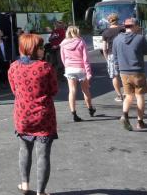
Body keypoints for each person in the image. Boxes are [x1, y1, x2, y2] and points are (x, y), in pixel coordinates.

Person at [8, 34, 58, 195]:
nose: (43, 50)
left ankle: (24, 185)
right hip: (44, 116)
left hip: (23, 115)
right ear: (33, 49)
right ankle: (41, 192)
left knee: (24, 149)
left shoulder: (14, 67)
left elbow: (14, 90)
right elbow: (54, 90)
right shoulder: (45, 67)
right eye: (41, 47)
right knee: (43, 155)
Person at [112, 18, 147, 131]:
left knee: (128, 96)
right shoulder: (140, 38)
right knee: (139, 96)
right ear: (135, 26)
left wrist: (118, 67)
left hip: (123, 72)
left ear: (125, 26)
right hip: (137, 72)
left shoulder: (117, 39)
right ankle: (140, 122)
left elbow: (115, 56)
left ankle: (125, 115)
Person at [60, 26, 96, 122]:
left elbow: (63, 58)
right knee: (85, 90)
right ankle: (90, 108)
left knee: (72, 90)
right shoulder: (81, 42)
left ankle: (74, 113)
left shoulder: (63, 44)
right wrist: (88, 72)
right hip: (80, 68)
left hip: (69, 69)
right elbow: (86, 59)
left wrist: (67, 67)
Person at [101, 13, 125, 102]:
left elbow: (104, 48)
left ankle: (119, 95)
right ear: (117, 20)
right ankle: (127, 92)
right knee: (124, 74)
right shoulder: (122, 29)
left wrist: (107, 58)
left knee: (115, 76)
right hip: (122, 54)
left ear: (109, 21)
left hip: (111, 55)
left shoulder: (105, 32)